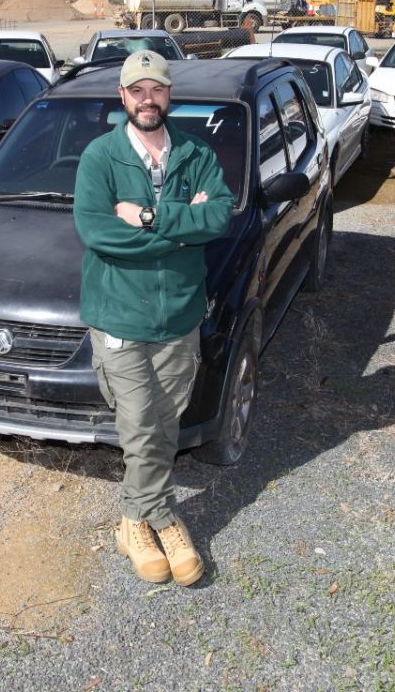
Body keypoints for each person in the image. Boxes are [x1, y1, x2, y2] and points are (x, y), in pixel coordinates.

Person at [72, 50, 234, 586]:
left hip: (179, 315)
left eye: (156, 89)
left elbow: (218, 217)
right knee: (140, 425)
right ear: (123, 98)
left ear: (169, 96)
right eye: (137, 90)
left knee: (166, 422)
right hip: (120, 315)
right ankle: (152, 517)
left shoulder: (196, 153)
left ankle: (139, 516)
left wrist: (147, 217)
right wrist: (180, 232)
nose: (147, 99)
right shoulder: (100, 157)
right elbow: (98, 233)